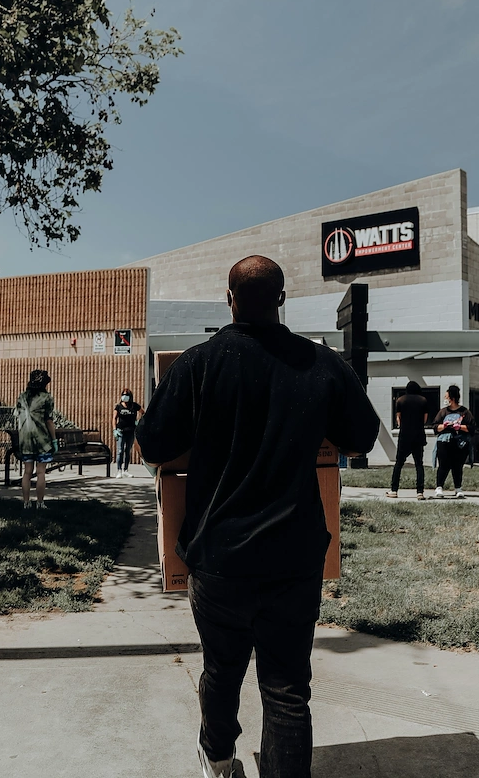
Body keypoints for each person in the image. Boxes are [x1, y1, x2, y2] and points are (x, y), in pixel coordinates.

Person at [137, 255, 379, 778]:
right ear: (282, 299)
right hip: (294, 558)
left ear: (229, 300)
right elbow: (361, 438)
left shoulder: (198, 364)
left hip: (218, 557)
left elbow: (153, 443)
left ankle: (219, 762)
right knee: (288, 687)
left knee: (221, 670)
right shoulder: (320, 363)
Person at [14, 369, 57, 509]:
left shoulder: (22, 397)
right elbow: (49, 421)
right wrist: (54, 440)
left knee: (27, 472)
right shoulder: (47, 397)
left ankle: (26, 502)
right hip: (42, 439)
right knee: (40, 472)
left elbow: (18, 417)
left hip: (25, 439)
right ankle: (40, 502)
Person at [387, 381, 429, 500]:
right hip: (418, 435)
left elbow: (398, 418)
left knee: (399, 463)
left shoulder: (400, 400)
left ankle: (394, 490)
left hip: (405, 435)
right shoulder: (423, 400)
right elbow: (425, 419)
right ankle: (420, 492)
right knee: (419, 464)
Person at [433, 385, 476, 499]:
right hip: (444, 442)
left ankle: (458, 488)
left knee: (458, 465)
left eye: (446, 396)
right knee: (443, 465)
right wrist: (444, 426)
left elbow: (472, 428)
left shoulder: (465, 412)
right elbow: (435, 427)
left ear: (452, 397)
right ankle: (439, 487)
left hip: (460, 443)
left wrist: (460, 427)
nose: (444, 398)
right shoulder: (443, 412)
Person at [112, 388, 142, 477]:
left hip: (131, 431)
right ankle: (119, 470)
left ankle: (126, 470)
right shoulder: (118, 406)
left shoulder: (134, 406)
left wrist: (139, 422)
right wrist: (114, 429)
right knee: (120, 450)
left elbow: (143, 412)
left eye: (126, 395)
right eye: (123, 395)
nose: (124, 397)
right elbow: (114, 418)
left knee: (127, 450)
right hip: (121, 431)